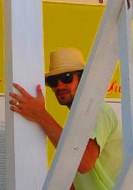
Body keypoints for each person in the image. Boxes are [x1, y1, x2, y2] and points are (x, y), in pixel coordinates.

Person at [9, 47, 123, 190]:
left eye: (66, 77)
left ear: (82, 79)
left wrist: (40, 114)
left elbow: (83, 162)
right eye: (53, 81)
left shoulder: (97, 110)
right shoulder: (77, 120)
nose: (60, 85)